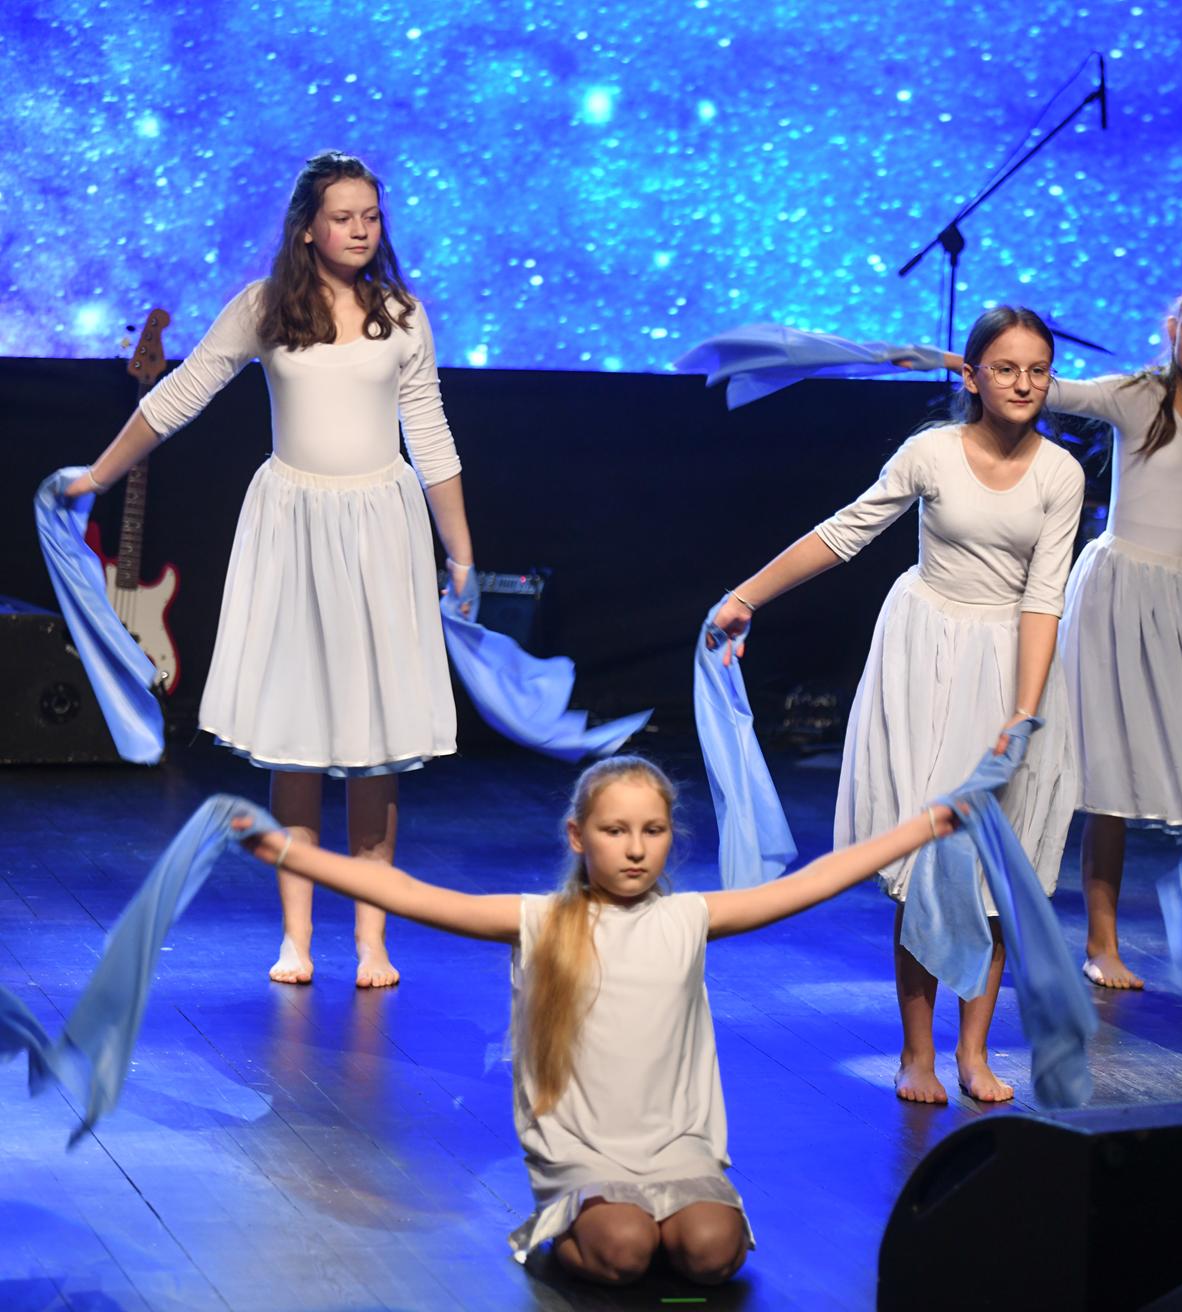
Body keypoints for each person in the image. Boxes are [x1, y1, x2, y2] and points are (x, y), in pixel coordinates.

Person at [233, 755, 961, 1286]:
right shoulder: (540, 921)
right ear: (579, 836)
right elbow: (409, 893)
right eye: (616, 830)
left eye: (653, 830)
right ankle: (558, 1234)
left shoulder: (687, 918)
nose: (636, 848)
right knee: (625, 1249)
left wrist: (923, 827)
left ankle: (660, 1217)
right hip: (584, 1153)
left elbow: (813, 881)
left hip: (676, 1149)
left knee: (713, 1253)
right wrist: (286, 849)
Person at [70, 150, 478, 987]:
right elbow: (179, 394)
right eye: (343, 217)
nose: (361, 231)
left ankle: (371, 942)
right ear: (307, 230)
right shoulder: (264, 308)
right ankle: (296, 938)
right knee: (298, 738)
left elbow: (430, 432)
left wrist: (460, 548)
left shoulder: (401, 315)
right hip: (294, 527)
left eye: (371, 217)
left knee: (375, 745)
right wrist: (98, 476)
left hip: (380, 530)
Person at [709, 305, 1084, 1104]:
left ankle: (974, 1052)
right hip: (927, 656)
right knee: (926, 863)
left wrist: (1023, 712)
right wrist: (747, 595)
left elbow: (1044, 598)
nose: (1023, 384)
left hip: (1011, 664)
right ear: (972, 376)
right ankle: (917, 1053)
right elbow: (845, 532)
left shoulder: (1061, 473)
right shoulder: (931, 453)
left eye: (1037, 370)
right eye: (1006, 368)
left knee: (992, 869)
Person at [931, 275, 1182, 994]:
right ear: (1172, 329)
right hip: (1117, 593)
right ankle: (1102, 943)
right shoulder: (1137, 396)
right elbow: (1052, 391)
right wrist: (978, 365)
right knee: (1111, 773)